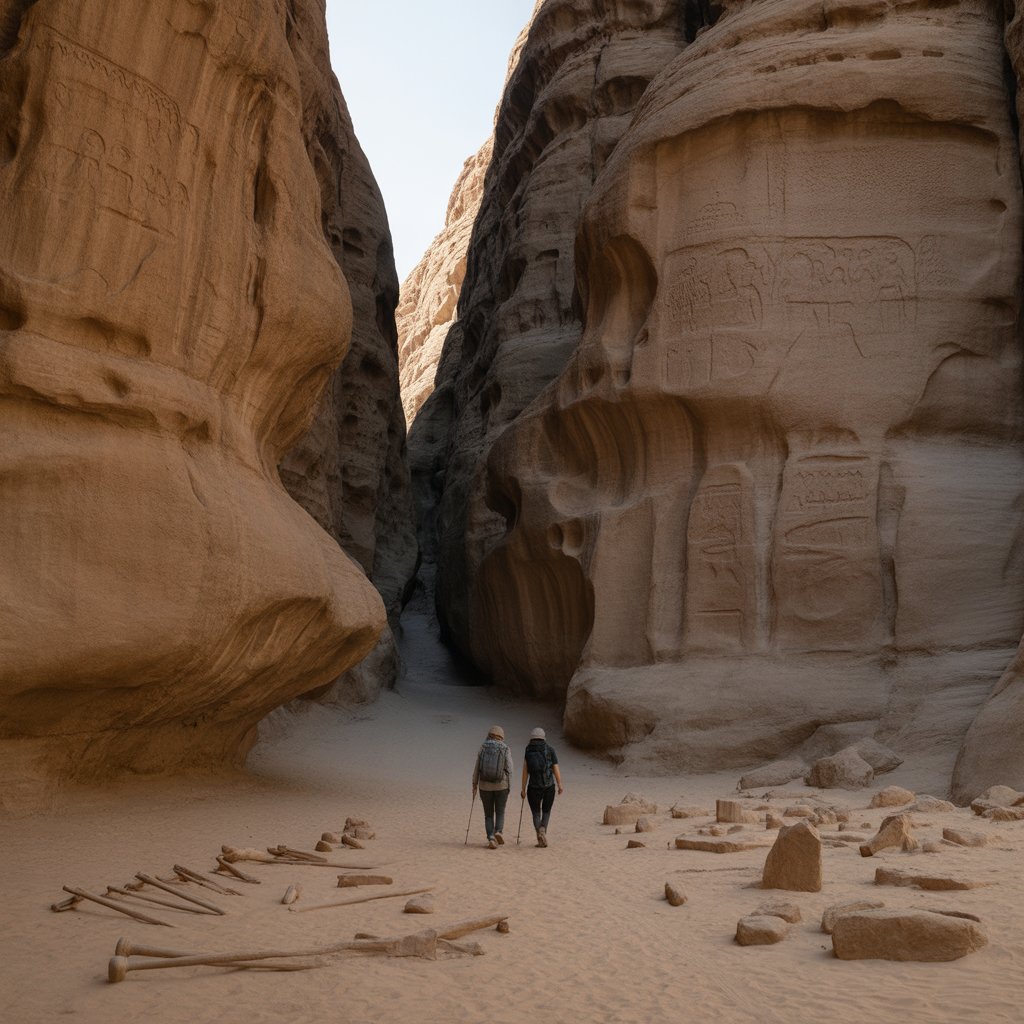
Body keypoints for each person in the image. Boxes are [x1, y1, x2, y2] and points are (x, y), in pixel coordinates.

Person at [472, 725, 513, 849]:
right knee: (500, 811)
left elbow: (476, 769)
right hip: (502, 785)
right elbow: (510, 769)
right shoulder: (505, 748)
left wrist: (474, 785)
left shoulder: (483, 747)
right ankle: (498, 831)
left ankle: (490, 837)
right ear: (501, 736)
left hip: (485, 786)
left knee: (488, 814)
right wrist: (509, 786)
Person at [521, 727, 563, 847]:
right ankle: (543, 830)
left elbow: (525, 771)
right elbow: (555, 768)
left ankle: (539, 836)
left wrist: (523, 789)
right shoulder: (550, 750)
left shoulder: (528, 750)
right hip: (549, 786)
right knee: (546, 811)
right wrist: (560, 784)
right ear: (543, 737)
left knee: (535, 813)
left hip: (533, 787)